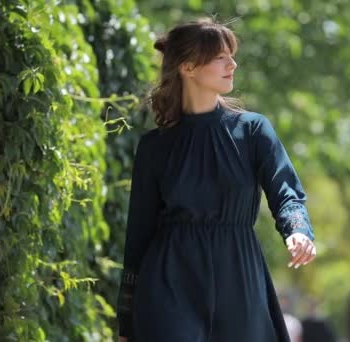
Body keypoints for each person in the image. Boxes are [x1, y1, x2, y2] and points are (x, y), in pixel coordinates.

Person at [116, 17, 317, 342]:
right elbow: (138, 234)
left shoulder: (253, 130)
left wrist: (297, 230)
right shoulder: (155, 146)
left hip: (238, 277)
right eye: (220, 56)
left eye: (231, 55)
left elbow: (285, 192)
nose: (233, 63)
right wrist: (126, 323)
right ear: (188, 67)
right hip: (169, 281)